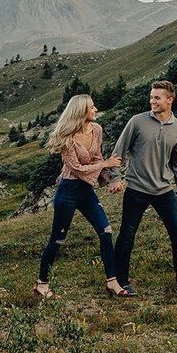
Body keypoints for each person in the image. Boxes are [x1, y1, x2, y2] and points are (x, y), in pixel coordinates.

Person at [107, 80, 177, 295]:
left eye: (157, 98)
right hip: (136, 189)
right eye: (151, 97)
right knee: (127, 236)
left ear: (170, 100)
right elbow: (118, 152)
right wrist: (114, 178)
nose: (152, 101)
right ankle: (120, 282)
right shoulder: (137, 122)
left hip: (164, 192)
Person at [35, 94, 134, 298]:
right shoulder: (68, 138)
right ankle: (41, 283)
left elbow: (96, 157)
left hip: (86, 192)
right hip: (68, 191)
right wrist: (105, 164)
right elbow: (77, 168)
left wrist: (109, 181)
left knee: (106, 231)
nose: (96, 109)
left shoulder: (96, 129)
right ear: (81, 112)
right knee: (58, 238)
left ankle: (112, 282)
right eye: (91, 107)